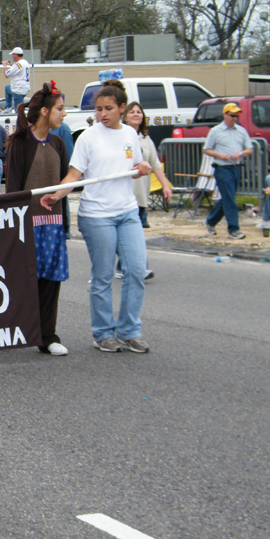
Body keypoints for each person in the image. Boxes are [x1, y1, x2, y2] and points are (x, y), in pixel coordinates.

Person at [40, 79, 152, 353]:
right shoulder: (89, 136)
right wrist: (56, 195)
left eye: (109, 108)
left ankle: (129, 331)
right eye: (99, 108)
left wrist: (144, 167)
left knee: (136, 271)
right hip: (96, 215)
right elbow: (74, 175)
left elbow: (136, 165)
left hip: (127, 212)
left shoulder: (129, 134)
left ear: (122, 108)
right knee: (102, 276)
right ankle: (103, 333)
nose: (103, 114)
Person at [5, 82, 69, 356]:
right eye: (60, 109)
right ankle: (13, 329)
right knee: (23, 281)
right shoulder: (20, 143)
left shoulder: (58, 142)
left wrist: (64, 223)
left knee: (51, 281)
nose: (64, 114)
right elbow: (14, 190)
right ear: (45, 111)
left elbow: (65, 183)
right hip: (27, 224)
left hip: (53, 224)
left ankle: (47, 336)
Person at [116, 102, 174, 280]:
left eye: (139, 112)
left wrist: (165, 185)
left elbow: (155, 164)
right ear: (124, 115)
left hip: (141, 195)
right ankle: (139, 268)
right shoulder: (120, 136)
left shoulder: (145, 139)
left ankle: (123, 266)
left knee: (135, 234)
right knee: (133, 237)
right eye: (131, 112)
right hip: (124, 195)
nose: (135, 114)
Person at [203, 102, 253, 240]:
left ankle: (210, 221)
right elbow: (206, 149)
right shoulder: (215, 131)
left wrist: (241, 153)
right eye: (232, 115)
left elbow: (249, 149)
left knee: (227, 198)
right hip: (222, 168)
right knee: (230, 199)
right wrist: (219, 155)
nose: (234, 118)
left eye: (236, 116)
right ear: (225, 115)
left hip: (236, 168)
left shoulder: (241, 131)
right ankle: (233, 229)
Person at [50, 121, 73, 239]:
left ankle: (65, 230)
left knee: (61, 198)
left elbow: (68, 153)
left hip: (59, 172)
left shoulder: (63, 128)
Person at [2, 47, 31, 111]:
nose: (12, 56)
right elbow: (18, 71)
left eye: (13, 54)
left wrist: (4, 66)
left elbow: (7, 74)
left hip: (18, 89)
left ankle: (10, 109)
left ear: (15, 55)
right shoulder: (25, 62)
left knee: (18, 112)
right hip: (25, 87)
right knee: (7, 88)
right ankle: (8, 107)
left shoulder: (18, 64)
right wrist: (12, 65)